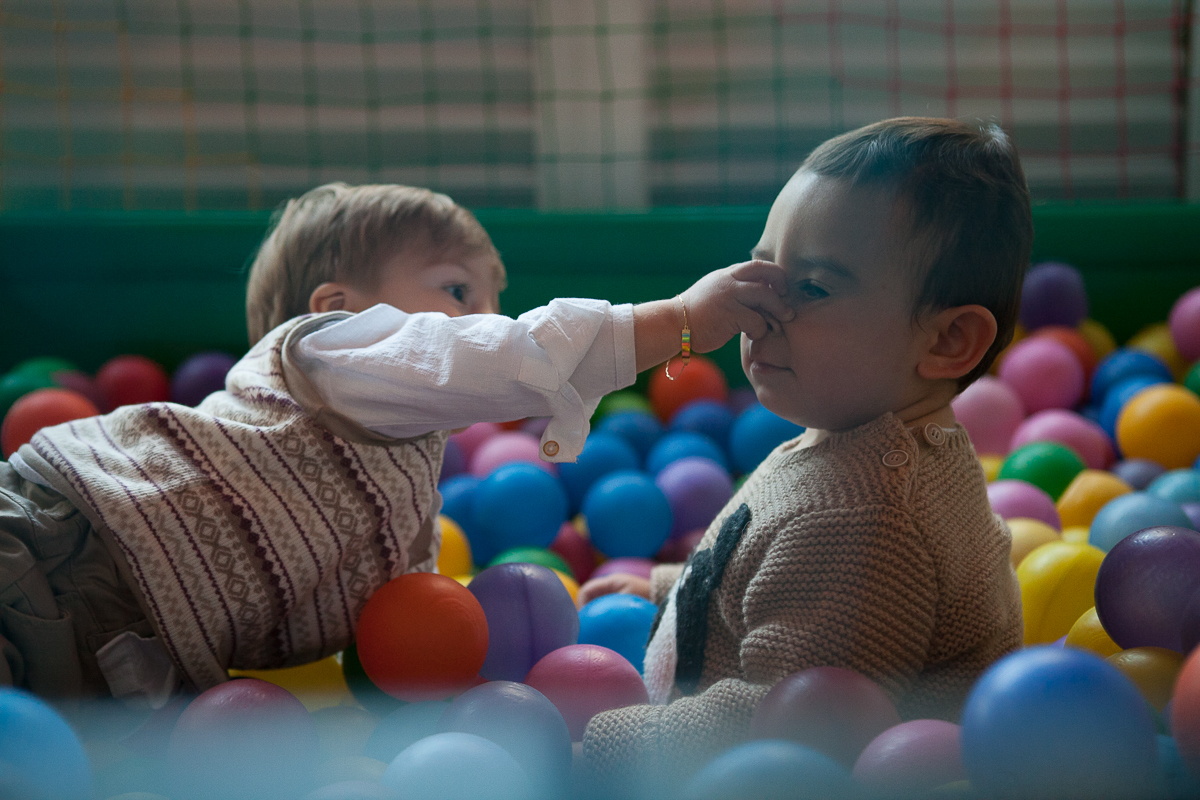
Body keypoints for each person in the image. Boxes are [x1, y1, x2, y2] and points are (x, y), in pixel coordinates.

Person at [1, 182, 791, 704]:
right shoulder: (334, 351)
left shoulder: (405, 507)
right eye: (459, 290)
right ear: (336, 306)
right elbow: (502, 353)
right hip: (57, 541)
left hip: (117, 648)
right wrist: (678, 319)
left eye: (494, 300)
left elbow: (410, 631)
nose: (486, 317)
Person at [576, 118, 1030, 786]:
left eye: (813, 286)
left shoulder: (862, 521)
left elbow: (784, 724)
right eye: (763, 273)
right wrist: (670, 591)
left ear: (947, 341)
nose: (760, 311)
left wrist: (600, 747)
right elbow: (776, 574)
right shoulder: (861, 436)